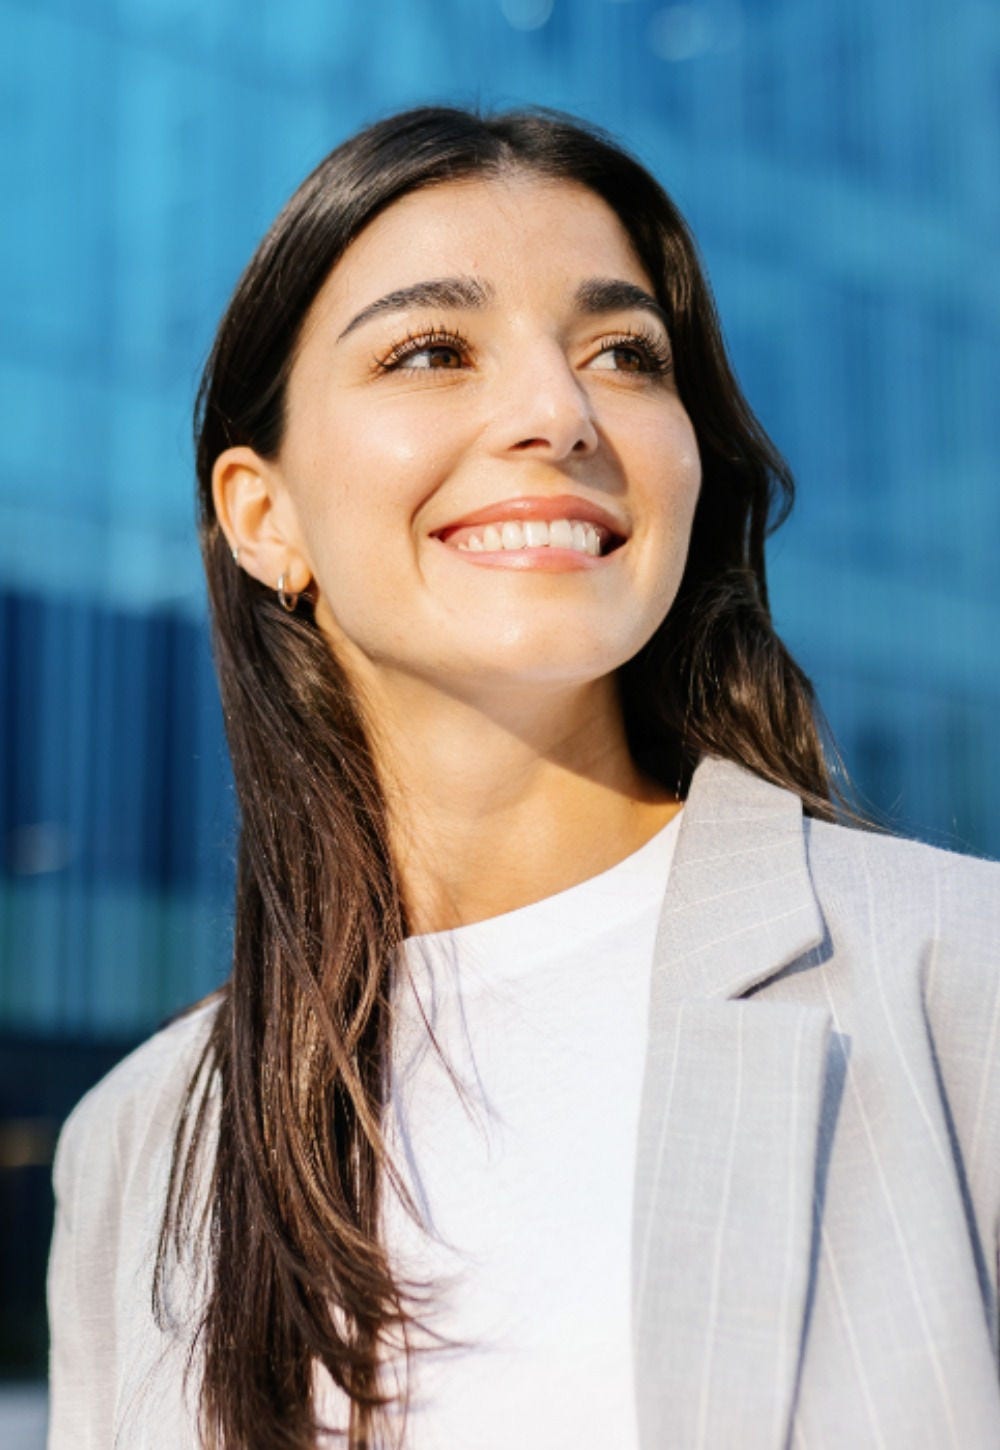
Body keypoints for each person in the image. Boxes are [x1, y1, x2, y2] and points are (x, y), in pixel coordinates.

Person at [47, 104, 1000, 1450]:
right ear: (268, 518)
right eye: (433, 350)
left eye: (625, 353)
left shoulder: (962, 979)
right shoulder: (139, 1143)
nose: (558, 413)